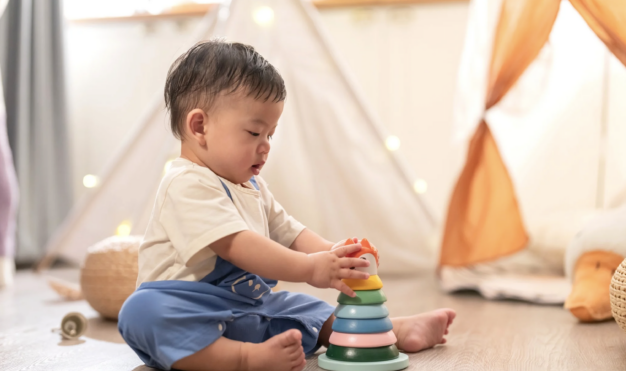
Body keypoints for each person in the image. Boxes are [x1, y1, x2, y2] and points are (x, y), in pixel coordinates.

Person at [118, 39, 455, 371]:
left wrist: (335, 254)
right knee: (141, 312)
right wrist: (311, 268)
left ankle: (390, 331)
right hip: (187, 312)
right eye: (254, 133)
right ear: (200, 126)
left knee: (302, 308)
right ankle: (244, 359)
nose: (265, 146)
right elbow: (237, 245)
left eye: (271, 135)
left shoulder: (251, 186)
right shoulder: (186, 183)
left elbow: (290, 231)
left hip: (246, 308)